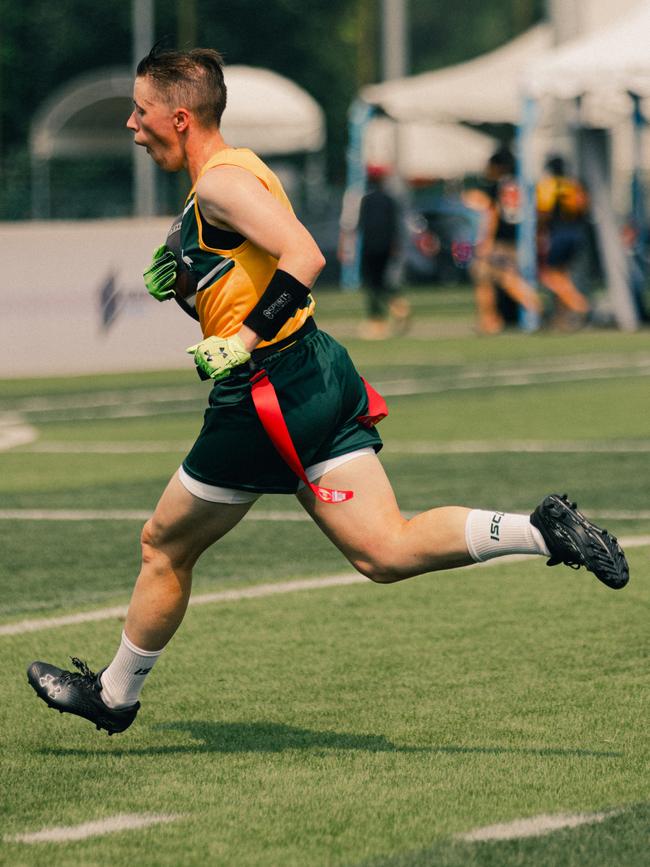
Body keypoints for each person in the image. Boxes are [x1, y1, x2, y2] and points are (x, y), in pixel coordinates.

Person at [27, 48, 629, 736]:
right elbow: (252, 274)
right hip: (314, 368)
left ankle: (114, 695)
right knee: (384, 550)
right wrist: (193, 293)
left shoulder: (221, 184)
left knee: (164, 543)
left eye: (141, 111)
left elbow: (306, 256)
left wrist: (241, 341)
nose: (132, 124)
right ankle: (541, 529)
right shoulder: (235, 172)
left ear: (180, 116)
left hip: (268, 387)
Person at [469, 147, 542, 334]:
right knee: (508, 278)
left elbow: (492, 213)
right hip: (520, 241)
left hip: (500, 242)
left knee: (485, 278)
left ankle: (491, 320)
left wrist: (486, 241)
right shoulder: (524, 184)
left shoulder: (498, 186)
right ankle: (532, 306)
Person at [536, 155, 591, 330]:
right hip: (576, 231)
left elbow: (543, 212)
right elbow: (584, 207)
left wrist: (539, 232)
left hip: (557, 233)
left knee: (551, 275)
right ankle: (563, 316)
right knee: (564, 274)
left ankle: (580, 305)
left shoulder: (547, 185)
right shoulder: (574, 185)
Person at [356, 167, 410, 339]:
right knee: (383, 280)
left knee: (372, 284)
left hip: (370, 246)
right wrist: (396, 245)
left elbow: (360, 226)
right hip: (387, 246)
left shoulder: (366, 200)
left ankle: (377, 321)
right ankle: (398, 305)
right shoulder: (390, 200)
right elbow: (395, 225)